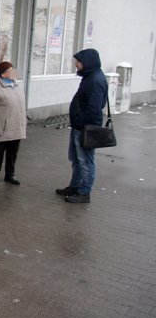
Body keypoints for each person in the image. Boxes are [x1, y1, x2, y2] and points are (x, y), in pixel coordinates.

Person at [55, 48, 108, 203]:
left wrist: (79, 121)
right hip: (80, 126)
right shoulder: (91, 77)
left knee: (85, 161)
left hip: (86, 128)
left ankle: (84, 192)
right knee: (76, 158)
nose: (76, 65)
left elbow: (94, 108)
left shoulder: (95, 80)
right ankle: (75, 186)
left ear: (87, 62)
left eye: (78, 62)